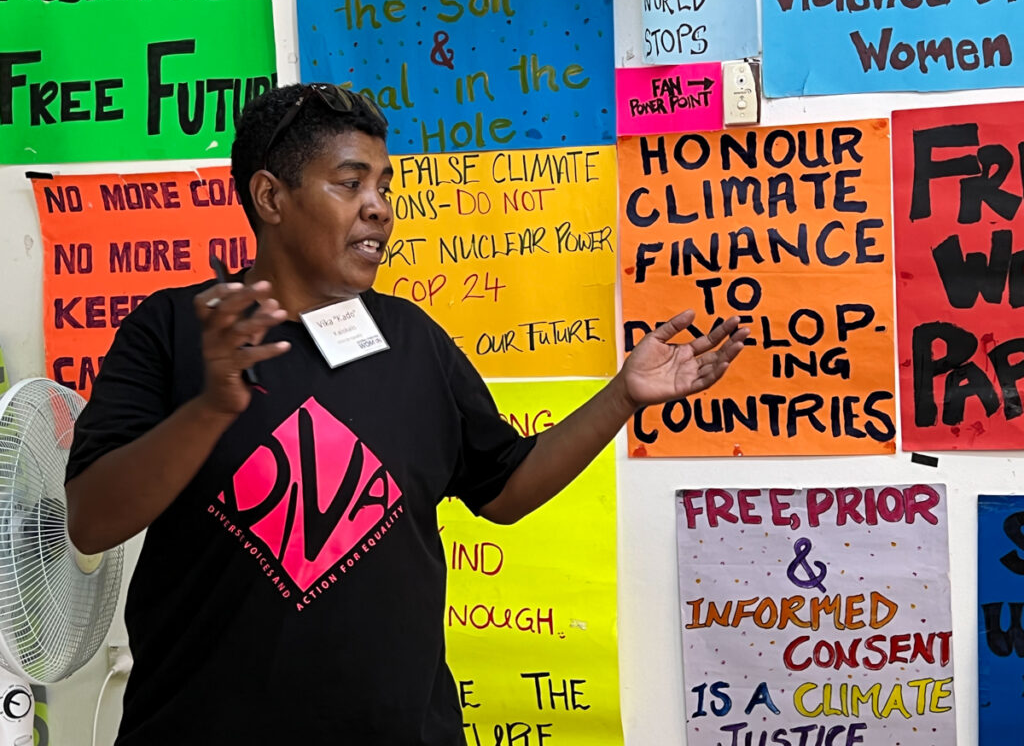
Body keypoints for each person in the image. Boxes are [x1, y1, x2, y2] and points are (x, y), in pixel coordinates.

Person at [65, 83, 748, 745]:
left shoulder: (410, 338)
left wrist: (622, 395)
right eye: (350, 183)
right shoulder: (174, 330)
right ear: (271, 197)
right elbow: (91, 523)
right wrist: (211, 408)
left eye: (385, 187)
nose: (379, 209)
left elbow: (504, 489)